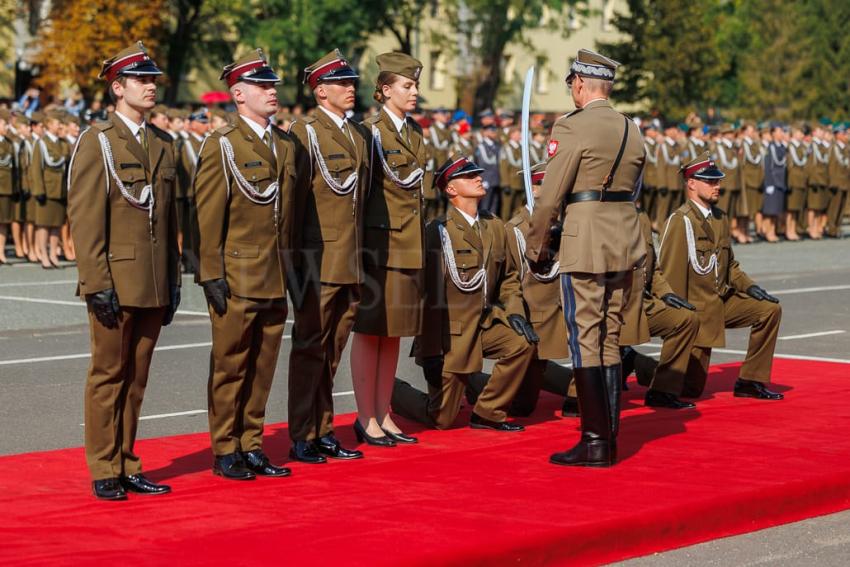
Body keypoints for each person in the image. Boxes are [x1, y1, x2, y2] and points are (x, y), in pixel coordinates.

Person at [67, 42, 180, 500]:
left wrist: (173, 281)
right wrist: (96, 283)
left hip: (152, 281)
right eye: (142, 80)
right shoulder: (98, 141)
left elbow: (170, 220)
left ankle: (128, 459)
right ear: (118, 87)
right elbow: (86, 216)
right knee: (108, 376)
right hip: (115, 279)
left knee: (137, 378)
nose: (151, 87)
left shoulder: (164, 143)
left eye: (153, 80)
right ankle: (104, 466)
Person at [525, 49, 646, 467]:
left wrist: (535, 246)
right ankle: (608, 438)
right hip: (624, 236)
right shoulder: (631, 127)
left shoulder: (572, 126)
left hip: (587, 237)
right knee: (610, 334)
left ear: (579, 84)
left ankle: (594, 441)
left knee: (585, 337)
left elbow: (550, 196)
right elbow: (635, 188)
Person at [194, 49, 296, 480]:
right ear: (238, 94)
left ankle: (251, 442)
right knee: (231, 365)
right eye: (261, 86)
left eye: (272, 85)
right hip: (237, 274)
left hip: (276, 273)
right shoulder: (223, 144)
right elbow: (207, 214)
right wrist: (211, 272)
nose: (271, 92)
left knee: (263, 365)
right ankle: (225, 448)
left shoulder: (286, 145)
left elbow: (293, 213)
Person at [392, 155, 536, 430]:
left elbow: (508, 278)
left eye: (478, 174)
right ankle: (391, 391)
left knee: (521, 344)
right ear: (451, 189)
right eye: (470, 176)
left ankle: (488, 412)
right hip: (451, 335)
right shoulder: (439, 231)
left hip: (485, 324)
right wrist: (431, 350)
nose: (479, 178)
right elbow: (428, 297)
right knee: (442, 418)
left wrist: (516, 313)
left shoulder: (495, 226)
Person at [286, 49, 370, 460]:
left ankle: (322, 428)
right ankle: (302, 432)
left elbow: (363, 199)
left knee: (333, 349)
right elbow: (294, 203)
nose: (351, 89)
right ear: (321, 91)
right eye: (342, 83)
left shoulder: (357, 135)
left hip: (350, 260)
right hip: (318, 262)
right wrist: (295, 262)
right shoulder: (305, 133)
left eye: (352, 82)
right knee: (310, 347)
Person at [349, 52, 427, 447]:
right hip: (379, 243)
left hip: (408, 242)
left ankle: (385, 412)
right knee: (369, 330)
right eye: (407, 86)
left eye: (414, 86)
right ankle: (365, 415)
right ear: (384, 90)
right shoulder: (369, 132)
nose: (414, 92)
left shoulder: (414, 133)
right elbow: (360, 195)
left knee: (393, 331)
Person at [659, 152, 783, 400]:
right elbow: (669, 275)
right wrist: (680, 320)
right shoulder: (681, 221)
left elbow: (729, 266)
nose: (717, 186)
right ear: (691, 183)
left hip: (721, 302)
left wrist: (750, 288)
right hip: (697, 311)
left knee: (769, 309)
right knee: (690, 390)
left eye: (717, 181)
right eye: (710, 181)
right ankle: (638, 365)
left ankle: (750, 380)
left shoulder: (720, 217)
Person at [30, 108, 70, 269]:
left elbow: (66, 167)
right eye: (57, 122)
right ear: (49, 124)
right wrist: (39, 190)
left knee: (56, 224)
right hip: (46, 190)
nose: (60, 125)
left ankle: (53, 253)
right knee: (43, 225)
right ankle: (44, 255)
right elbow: (36, 169)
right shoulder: (41, 143)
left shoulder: (63, 143)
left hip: (59, 190)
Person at [761, 125, 787, 243]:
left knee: (776, 210)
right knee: (769, 210)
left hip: (780, 182)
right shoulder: (770, 147)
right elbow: (768, 166)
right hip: (772, 181)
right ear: (773, 133)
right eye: (779, 131)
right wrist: (769, 183)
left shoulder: (781, 147)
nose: (782, 133)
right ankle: (768, 232)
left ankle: (772, 231)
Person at [825, 123, 849, 238]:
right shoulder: (834, 148)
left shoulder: (846, 148)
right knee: (834, 207)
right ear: (837, 135)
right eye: (844, 133)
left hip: (845, 181)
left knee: (841, 206)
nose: (846, 136)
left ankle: (838, 227)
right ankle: (832, 229)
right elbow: (831, 166)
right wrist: (832, 181)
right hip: (837, 181)